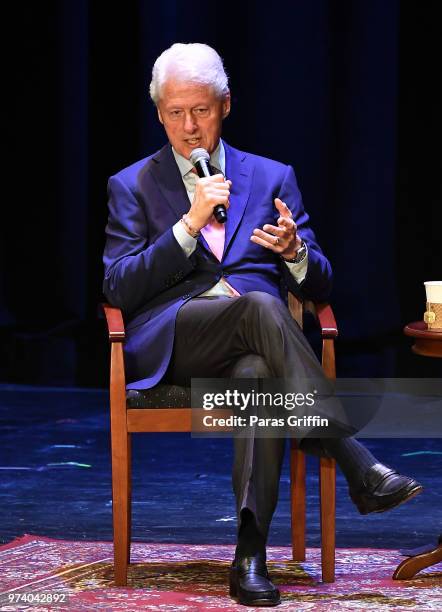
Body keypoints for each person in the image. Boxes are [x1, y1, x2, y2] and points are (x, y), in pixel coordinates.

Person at [103, 43, 422, 607]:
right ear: (158, 113)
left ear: (225, 105)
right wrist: (187, 225)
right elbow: (118, 287)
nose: (188, 126)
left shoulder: (273, 176)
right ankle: (354, 460)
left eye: (200, 110)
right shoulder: (132, 185)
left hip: (258, 349)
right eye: (174, 112)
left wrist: (296, 251)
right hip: (179, 340)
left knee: (257, 376)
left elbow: (319, 285)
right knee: (261, 306)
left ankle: (249, 555)